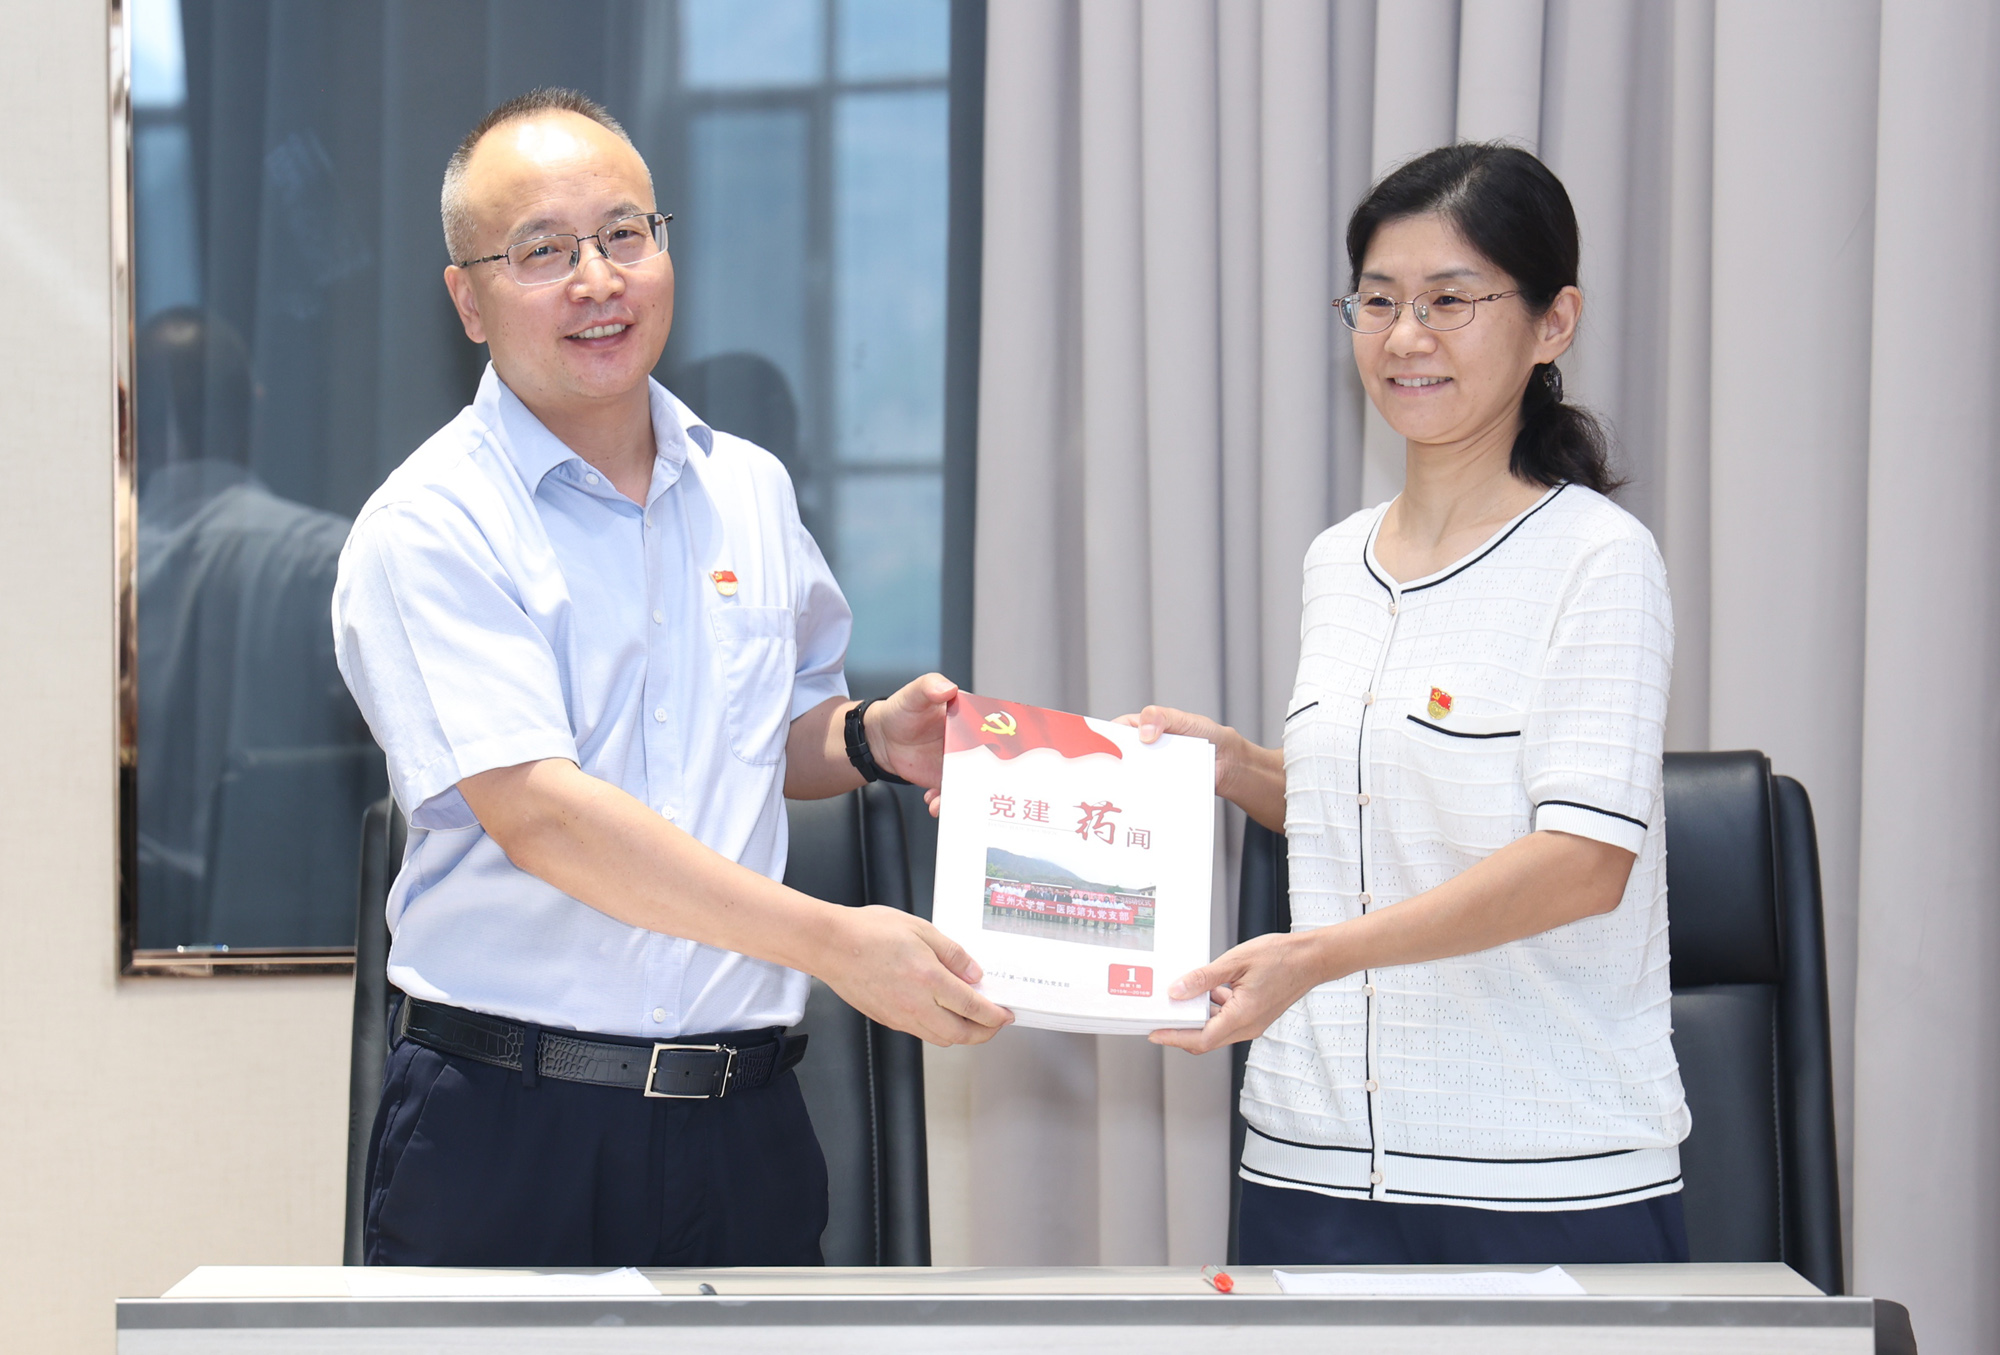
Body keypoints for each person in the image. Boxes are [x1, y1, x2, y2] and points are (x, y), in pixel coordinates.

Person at [331, 87, 1011, 1268]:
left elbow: (768, 733)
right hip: (510, 1126)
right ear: (468, 299)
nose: (597, 279)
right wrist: (835, 942)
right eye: (542, 250)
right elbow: (544, 815)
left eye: (624, 233)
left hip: (743, 1124)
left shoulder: (748, 486)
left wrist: (867, 738)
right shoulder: (430, 524)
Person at [1124, 143, 1688, 1265]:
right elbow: (1374, 804)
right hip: (1310, 1159)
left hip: (1543, 1171)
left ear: (1553, 322)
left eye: (1450, 300)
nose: (1405, 336)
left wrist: (1318, 954)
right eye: (1377, 300)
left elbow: (1583, 860)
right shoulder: (1337, 559)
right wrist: (1236, 767)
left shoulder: (1598, 558)